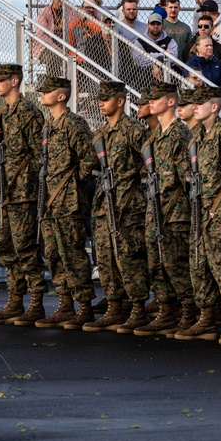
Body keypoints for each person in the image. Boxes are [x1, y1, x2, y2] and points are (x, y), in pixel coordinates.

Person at [174, 86, 221, 344]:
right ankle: (206, 317)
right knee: (200, 266)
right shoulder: (195, 134)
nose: (195, 106)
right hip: (200, 209)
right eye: (193, 102)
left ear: (215, 107)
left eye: (201, 102)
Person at [82, 81, 150, 333]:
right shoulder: (100, 133)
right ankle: (114, 306)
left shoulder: (133, 130)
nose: (101, 102)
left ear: (120, 101)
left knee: (129, 257)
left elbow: (147, 166)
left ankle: (138, 308)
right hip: (103, 204)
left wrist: (131, 183)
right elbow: (91, 166)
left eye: (106, 98)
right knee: (106, 258)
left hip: (128, 205)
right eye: (100, 98)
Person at [0, 64, 49, 326]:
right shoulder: (0, 115)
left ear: (14, 81)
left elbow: (38, 156)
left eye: (1, 80)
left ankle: (36, 302)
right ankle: (15, 300)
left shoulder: (29, 113)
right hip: (5, 192)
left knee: (26, 248)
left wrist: (26, 183)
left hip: (23, 192)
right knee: (8, 249)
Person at [34, 76, 100, 329]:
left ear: (61, 96)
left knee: (73, 254)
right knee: (53, 254)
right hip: (49, 201)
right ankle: (64, 303)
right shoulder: (49, 125)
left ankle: (83, 305)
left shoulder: (74, 124)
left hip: (69, 201)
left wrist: (73, 185)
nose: (42, 93)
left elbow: (88, 160)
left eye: (47, 91)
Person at [133, 82, 197, 337]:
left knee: (176, 263)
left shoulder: (180, 134)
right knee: (156, 263)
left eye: (156, 98)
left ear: (171, 101)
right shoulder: (156, 136)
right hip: (156, 208)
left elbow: (187, 178)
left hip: (176, 210)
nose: (150, 102)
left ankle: (188, 311)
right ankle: (167, 310)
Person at [33, 0, 67, 76]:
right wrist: (57, 49)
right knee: (52, 56)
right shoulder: (45, 12)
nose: (61, 0)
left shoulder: (69, 12)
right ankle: (54, 84)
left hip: (65, 47)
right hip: (46, 47)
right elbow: (41, 34)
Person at [162, 0, 192, 64]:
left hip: (183, 64)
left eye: (175, 7)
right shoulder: (160, 26)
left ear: (179, 8)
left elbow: (190, 49)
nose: (173, 10)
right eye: (170, 7)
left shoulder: (186, 28)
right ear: (166, 8)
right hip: (165, 63)